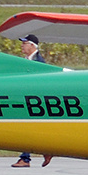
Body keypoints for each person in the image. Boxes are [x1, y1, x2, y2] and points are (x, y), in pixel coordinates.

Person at [13, 34, 52, 168]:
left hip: (34, 100)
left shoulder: (38, 62)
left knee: (26, 129)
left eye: (25, 43)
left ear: (32, 45)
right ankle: (46, 151)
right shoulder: (26, 60)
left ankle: (25, 159)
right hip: (27, 98)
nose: (22, 46)